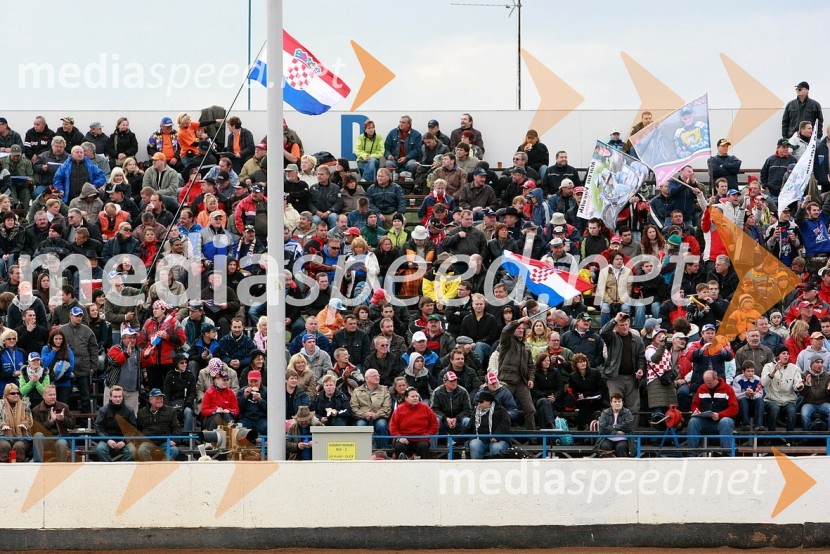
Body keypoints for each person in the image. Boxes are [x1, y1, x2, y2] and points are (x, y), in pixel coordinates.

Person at [600, 312, 645, 418]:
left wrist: (640, 369)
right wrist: (615, 319)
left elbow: (641, 357)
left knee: (633, 409)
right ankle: (616, 433)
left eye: (626, 324)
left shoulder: (637, 339)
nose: (625, 327)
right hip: (615, 377)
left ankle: (631, 434)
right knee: (616, 407)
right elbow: (603, 332)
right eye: (621, 325)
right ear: (616, 327)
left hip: (632, 378)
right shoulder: (612, 338)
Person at [498, 316, 536, 430]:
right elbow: (505, 330)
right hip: (506, 381)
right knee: (500, 408)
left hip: (521, 382)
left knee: (531, 410)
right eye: (518, 328)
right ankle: (500, 434)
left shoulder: (526, 347)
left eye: (522, 328)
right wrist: (519, 321)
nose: (521, 330)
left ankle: (532, 438)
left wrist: (531, 379)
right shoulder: (506, 342)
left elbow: (531, 366)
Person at [687, 369, 738, 452]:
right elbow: (695, 404)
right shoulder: (702, 388)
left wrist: (720, 415)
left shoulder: (727, 389)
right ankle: (692, 453)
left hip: (722, 420)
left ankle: (727, 454)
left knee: (725, 422)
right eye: (705, 382)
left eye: (709, 383)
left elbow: (734, 408)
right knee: (693, 422)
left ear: (716, 378)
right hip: (705, 421)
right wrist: (696, 410)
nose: (707, 385)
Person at [761, 346, 804, 433]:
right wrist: (773, 372)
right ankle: (771, 437)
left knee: (792, 411)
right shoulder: (768, 366)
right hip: (772, 400)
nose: (786, 356)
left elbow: (797, 384)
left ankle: (790, 439)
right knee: (774, 409)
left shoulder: (794, 368)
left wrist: (799, 386)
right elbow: (763, 383)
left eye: (787, 354)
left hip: (788, 400)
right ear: (778, 356)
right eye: (783, 353)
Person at [31, 384, 76, 462]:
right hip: (44, 439)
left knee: (62, 443)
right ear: (44, 396)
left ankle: (60, 468)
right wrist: (51, 421)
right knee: (37, 435)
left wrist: (63, 419)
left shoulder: (64, 407)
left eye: (54, 394)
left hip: (60, 437)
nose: (53, 397)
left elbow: (72, 425)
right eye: (50, 395)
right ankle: (37, 464)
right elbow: (35, 429)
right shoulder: (36, 410)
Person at [390, 387, 438, 459]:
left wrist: (428, 434)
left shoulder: (426, 408)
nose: (415, 398)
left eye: (417, 396)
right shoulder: (399, 409)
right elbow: (393, 426)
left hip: (421, 438)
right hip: (403, 438)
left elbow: (434, 424)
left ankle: (424, 467)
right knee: (399, 446)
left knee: (423, 446)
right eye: (412, 396)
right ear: (406, 398)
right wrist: (399, 437)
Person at [135, 388, 181, 461]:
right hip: (148, 442)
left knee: (174, 450)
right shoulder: (141, 412)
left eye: (161, 398)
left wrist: (174, 440)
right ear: (150, 400)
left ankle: (161, 469)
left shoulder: (170, 411)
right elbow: (138, 429)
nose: (160, 400)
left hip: (165, 441)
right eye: (157, 398)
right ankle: (150, 470)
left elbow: (176, 427)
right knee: (141, 451)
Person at [350, 368, 392, 448]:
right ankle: (362, 450)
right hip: (362, 417)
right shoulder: (357, 391)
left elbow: (387, 408)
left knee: (382, 425)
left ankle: (385, 450)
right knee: (361, 425)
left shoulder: (384, 390)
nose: (377, 377)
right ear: (367, 378)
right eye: (374, 376)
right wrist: (364, 414)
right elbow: (354, 408)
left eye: (378, 375)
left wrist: (377, 414)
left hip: (379, 416)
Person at [94, 385, 136, 462]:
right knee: (100, 449)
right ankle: (111, 469)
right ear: (110, 397)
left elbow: (133, 429)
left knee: (132, 451)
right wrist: (108, 440)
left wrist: (124, 441)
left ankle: (120, 468)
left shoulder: (129, 410)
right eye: (115, 396)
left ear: (123, 397)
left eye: (120, 396)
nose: (118, 399)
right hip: (107, 438)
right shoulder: (103, 410)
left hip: (124, 438)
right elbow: (98, 428)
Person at [464, 390, 511, 459]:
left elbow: (505, 425)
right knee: (474, 444)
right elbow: (469, 428)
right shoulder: (476, 411)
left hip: (499, 439)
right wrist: (456, 440)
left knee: (496, 447)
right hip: (480, 438)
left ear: (488, 402)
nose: (478, 404)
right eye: (478, 402)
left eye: (481, 402)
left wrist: (496, 436)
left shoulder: (501, 410)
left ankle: (496, 468)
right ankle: (477, 467)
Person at [568, 353, 608, 430]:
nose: (583, 363)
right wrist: (578, 395)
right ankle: (585, 427)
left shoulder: (595, 372)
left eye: (584, 361)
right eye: (580, 362)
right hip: (583, 400)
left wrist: (594, 396)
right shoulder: (573, 376)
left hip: (596, 399)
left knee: (592, 406)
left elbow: (603, 388)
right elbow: (573, 391)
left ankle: (586, 427)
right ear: (576, 364)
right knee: (584, 405)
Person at [430, 370, 472, 438]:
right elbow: (434, 410)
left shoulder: (463, 391)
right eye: (451, 381)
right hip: (443, 421)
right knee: (435, 421)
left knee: (467, 421)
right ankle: (433, 448)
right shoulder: (437, 392)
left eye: (455, 380)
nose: (454, 383)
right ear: (444, 382)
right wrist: (446, 419)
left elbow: (467, 410)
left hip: (459, 420)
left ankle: (467, 447)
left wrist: (456, 418)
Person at [162, 353, 196, 432]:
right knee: (169, 413)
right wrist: (168, 405)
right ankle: (174, 437)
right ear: (176, 364)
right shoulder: (170, 375)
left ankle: (187, 438)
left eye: (185, 362)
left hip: (186, 402)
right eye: (181, 363)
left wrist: (188, 402)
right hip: (172, 402)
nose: (184, 364)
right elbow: (166, 393)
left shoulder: (190, 375)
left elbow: (192, 392)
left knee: (188, 411)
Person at [596, 392, 634, 458]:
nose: (617, 403)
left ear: (622, 402)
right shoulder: (605, 412)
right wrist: (616, 432)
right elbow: (602, 427)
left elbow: (629, 425)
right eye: (615, 401)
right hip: (607, 438)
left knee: (621, 447)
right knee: (605, 446)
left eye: (619, 401)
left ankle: (622, 467)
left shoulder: (627, 412)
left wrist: (614, 426)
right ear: (611, 403)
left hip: (623, 439)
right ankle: (606, 466)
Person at [799, 355, 830, 431]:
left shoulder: (827, 376)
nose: (820, 364)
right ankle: (806, 437)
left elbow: (828, 395)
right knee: (804, 414)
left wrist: (829, 389)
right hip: (809, 403)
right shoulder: (804, 375)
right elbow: (801, 394)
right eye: (817, 362)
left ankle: (828, 435)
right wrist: (807, 385)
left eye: (821, 362)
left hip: (823, 403)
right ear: (811, 364)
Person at [237, 369, 267, 435]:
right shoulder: (242, 391)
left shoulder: (266, 391)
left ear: (260, 380)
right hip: (246, 418)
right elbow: (238, 408)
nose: (253, 384)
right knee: (239, 429)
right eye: (251, 381)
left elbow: (269, 410)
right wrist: (244, 397)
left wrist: (260, 400)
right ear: (248, 380)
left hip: (261, 419)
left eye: (255, 381)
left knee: (267, 427)